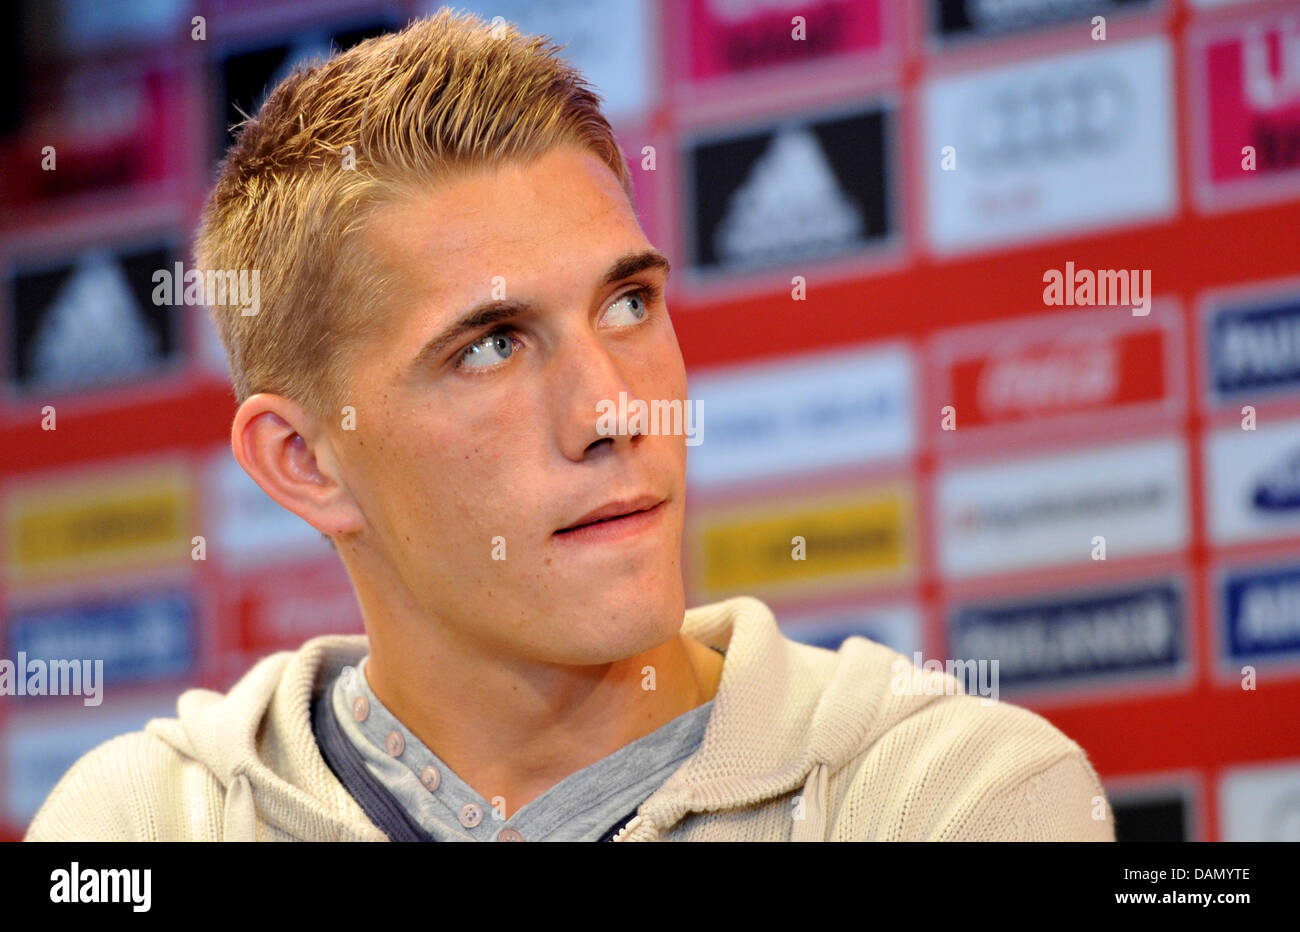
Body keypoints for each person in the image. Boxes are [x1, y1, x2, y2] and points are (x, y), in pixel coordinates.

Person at [26, 9, 1114, 842]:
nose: (614, 407)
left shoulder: (949, 798)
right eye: (491, 343)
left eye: (627, 303)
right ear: (306, 461)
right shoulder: (143, 822)